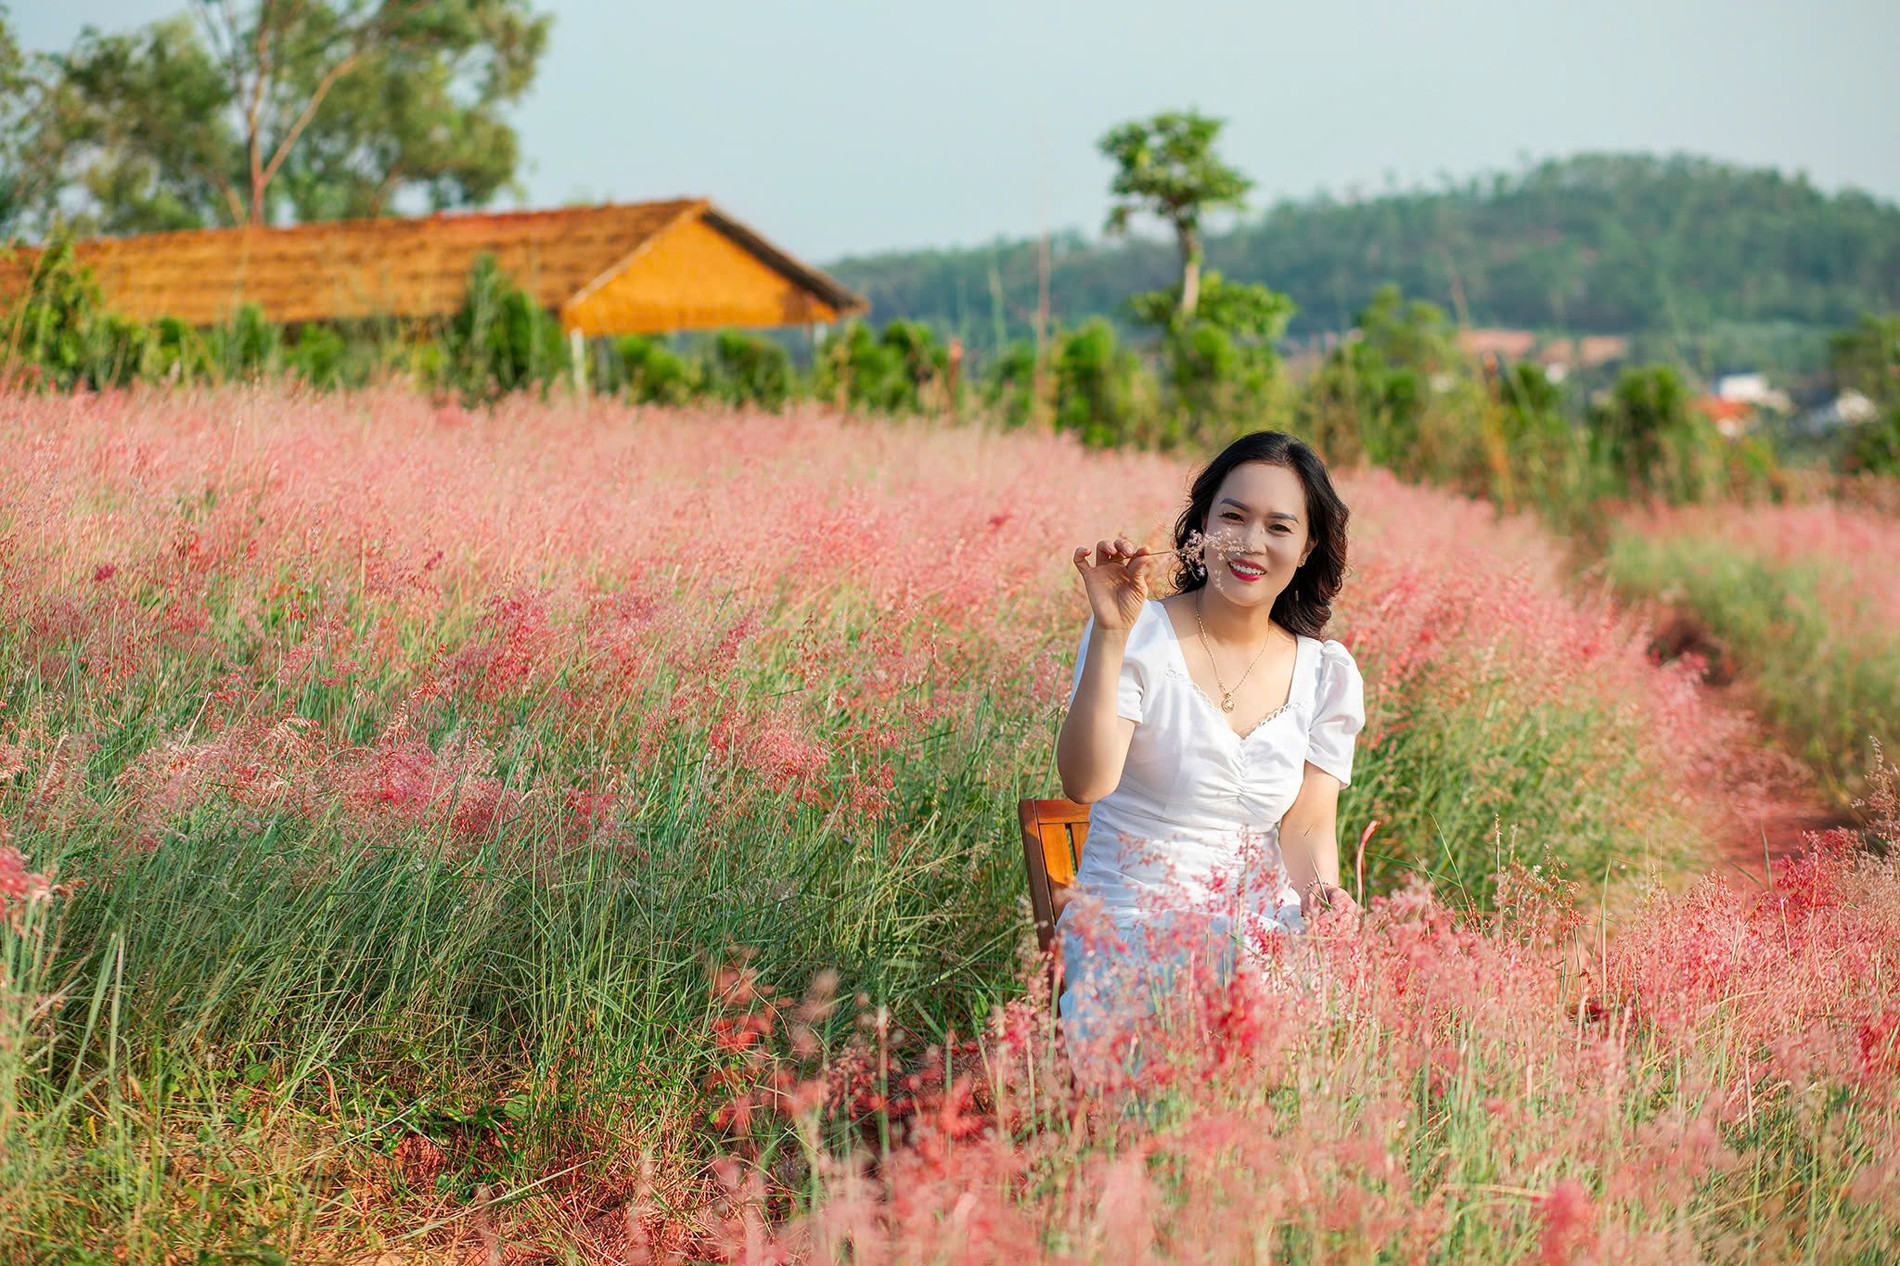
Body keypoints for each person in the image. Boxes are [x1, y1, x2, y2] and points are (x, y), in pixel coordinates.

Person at [1054, 430, 1366, 1077]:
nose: (1251, 543)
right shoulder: (1137, 632)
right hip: (1131, 921)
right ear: (1200, 528)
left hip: (1258, 925)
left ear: (1307, 547)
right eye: (1233, 517)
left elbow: (1307, 827)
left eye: (1278, 527)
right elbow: (1085, 783)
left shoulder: (1325, 674)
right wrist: (1110, 637)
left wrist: (1324, 901)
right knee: (1225, 972)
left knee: (1323, 994)